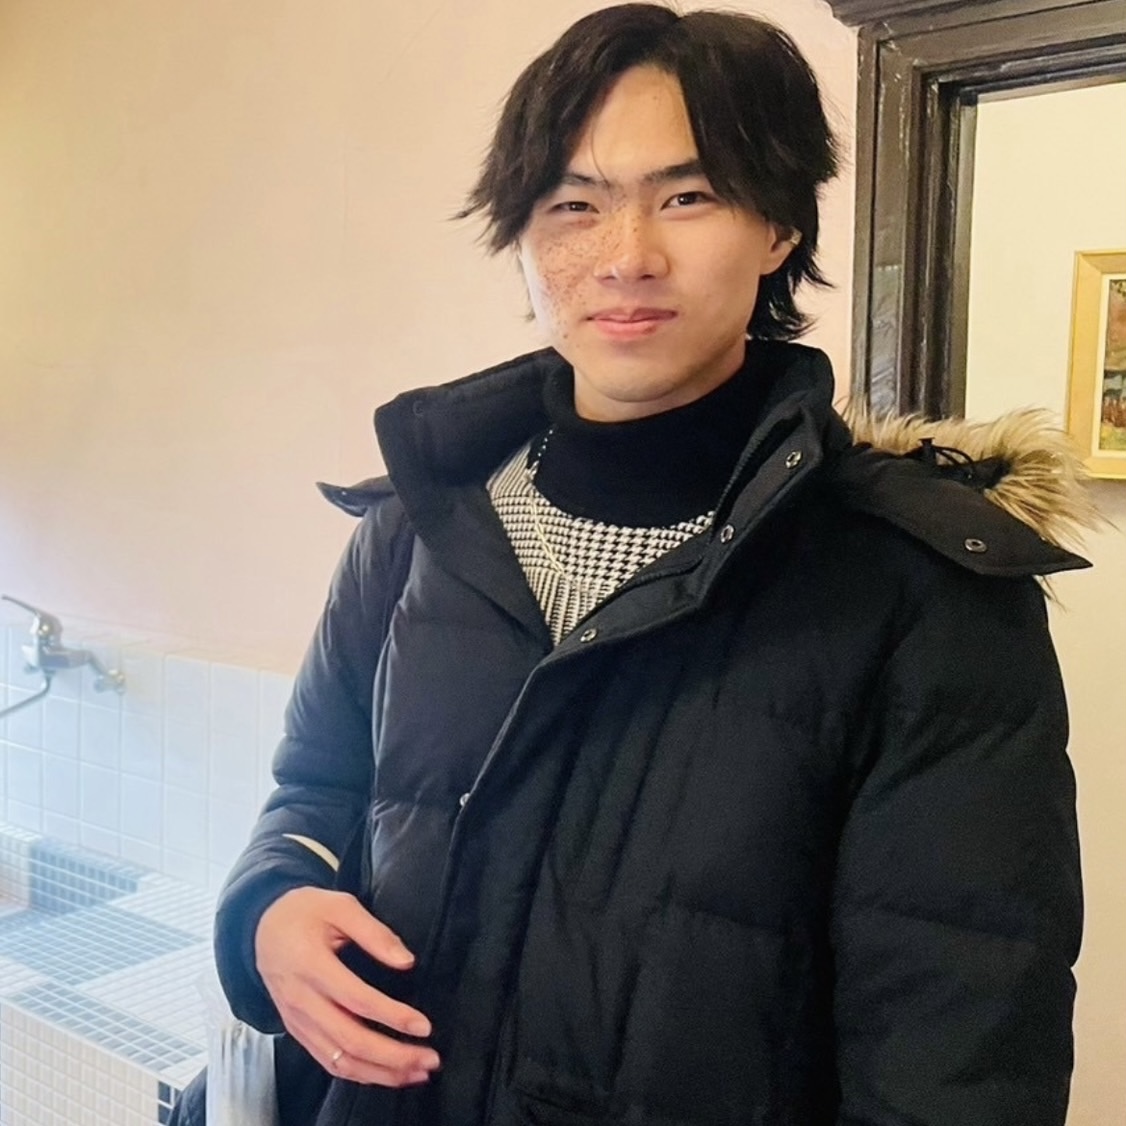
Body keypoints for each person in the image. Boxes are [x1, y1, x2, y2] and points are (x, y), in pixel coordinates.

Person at [173, 5, 1092, 1124]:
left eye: (687, 196)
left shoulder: (922, 590)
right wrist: (269, 905)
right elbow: (312, 790)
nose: (626, 257)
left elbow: (960, 1050)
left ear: (778, 227)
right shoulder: (413, 530)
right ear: (521, 238)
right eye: (573, 205)